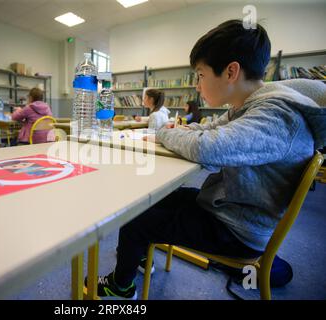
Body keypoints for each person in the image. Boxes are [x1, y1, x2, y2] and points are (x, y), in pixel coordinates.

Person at [88, 19, 326, 299]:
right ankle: (139, 253)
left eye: (200, 75)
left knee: (134, 219)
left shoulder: (276, 116)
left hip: (237, 229)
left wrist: (164, 133)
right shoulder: (249, 106)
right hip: (231, 208)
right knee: (147, 200)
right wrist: (184, 131)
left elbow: (208, 149)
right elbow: (210, 129)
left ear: (230, 71)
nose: (198, 86)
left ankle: (120, 288)